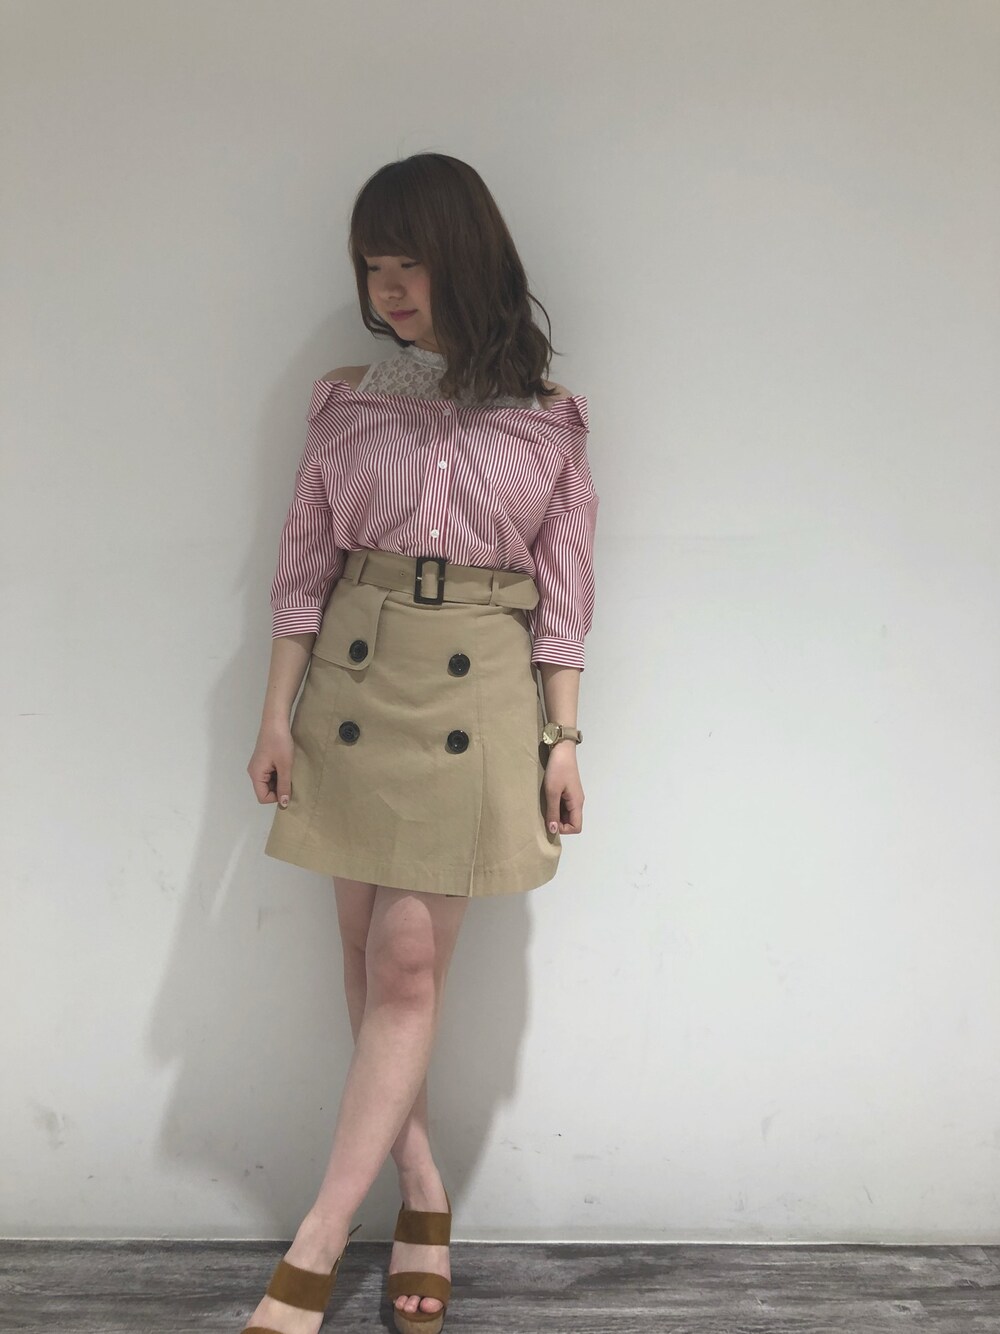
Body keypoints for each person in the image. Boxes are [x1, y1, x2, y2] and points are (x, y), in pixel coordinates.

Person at [242, 153, 599, 1334]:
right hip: (352, 674)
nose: (388, 288)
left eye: (410, 261)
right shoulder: (344, 400)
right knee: (366, 952)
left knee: (403, 964)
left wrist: (563, 737)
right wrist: (274, 712)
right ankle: (422, 1188)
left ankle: (317, 1237)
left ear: (467, 257)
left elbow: (567, 595)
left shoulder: (549, 418)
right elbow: (303, 565)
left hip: (477, 685)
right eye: (372, 265)